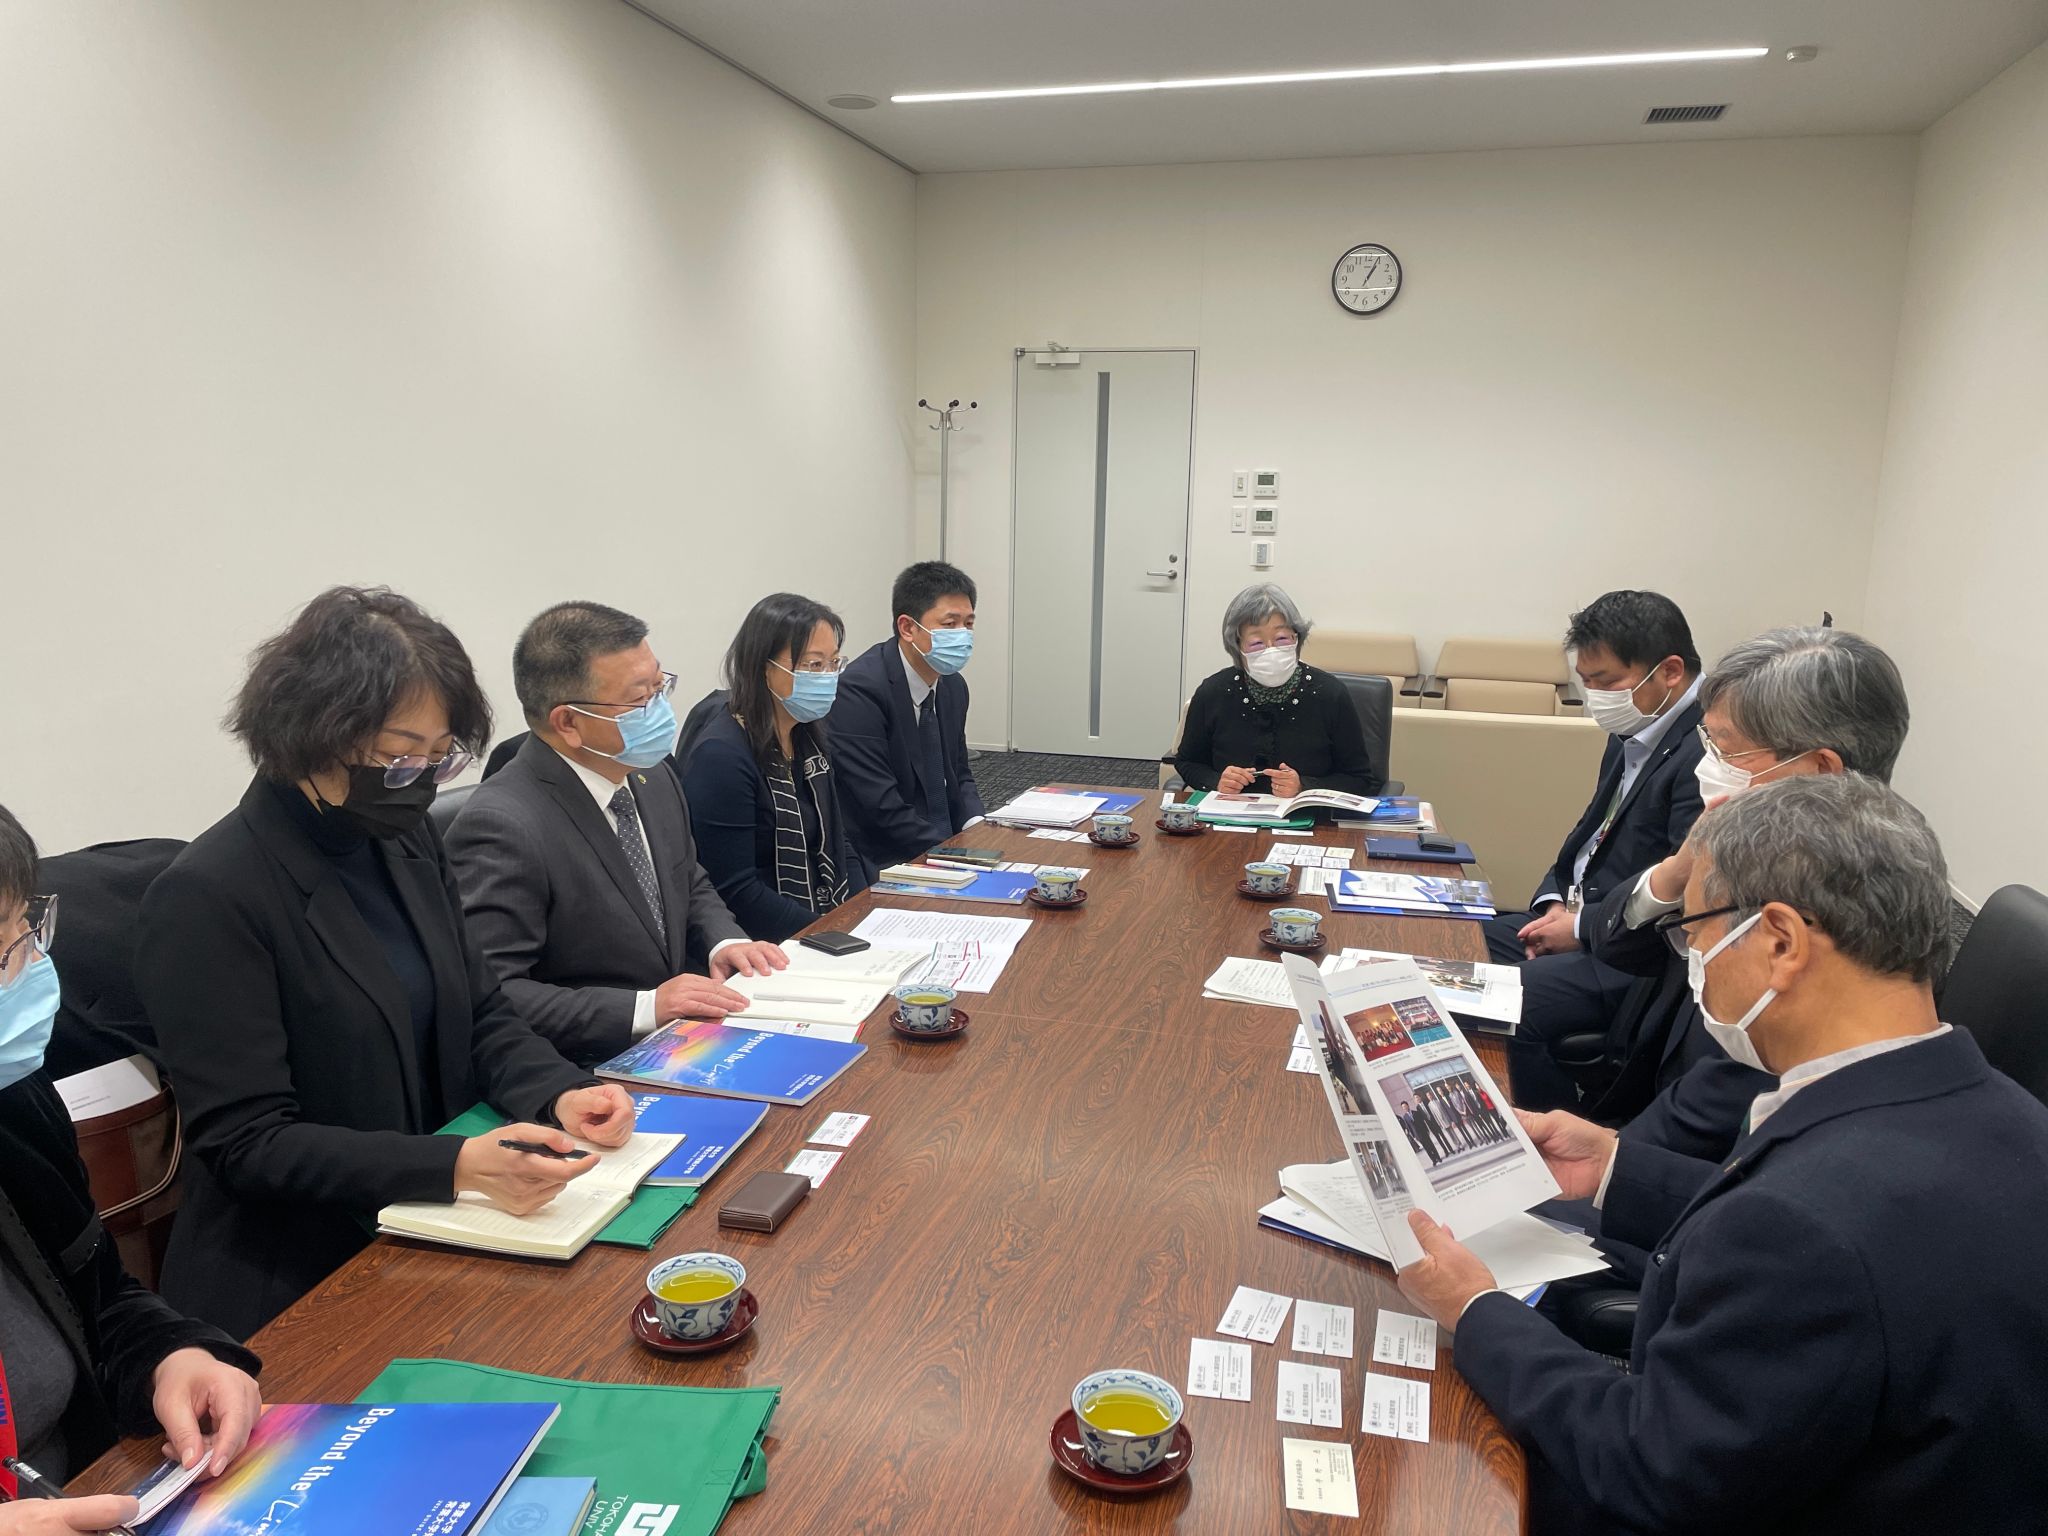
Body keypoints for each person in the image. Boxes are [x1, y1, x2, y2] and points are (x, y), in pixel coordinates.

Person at [1397, 774, 2048, 1535]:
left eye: (1696, 929)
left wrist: (1477, 1311)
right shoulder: (2000, 1113)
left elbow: (1651, 1472)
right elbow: (1846, 1235)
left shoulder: (1804, 1229)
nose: (1692, 953)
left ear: (1781, 943)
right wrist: (1612, 1168)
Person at [135, 588, 639, 1340]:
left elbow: (481, 1012)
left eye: (440, 756)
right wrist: (454, 1167)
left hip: (446, 1227)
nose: (423, 781)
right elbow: (250, 1144)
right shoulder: (209, 895)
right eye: (400, 756)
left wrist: (560, 1092)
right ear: (314, 733)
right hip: (301, 1270)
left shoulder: (403, 838)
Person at [1512, 625, 1911, 1143]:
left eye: (1727, 750)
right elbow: (1622, 946)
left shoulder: (1829, 914)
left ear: (1820, 770)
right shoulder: (1749, 853)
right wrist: (1677, 870)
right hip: (1642, 1112)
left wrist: (1604, 1158)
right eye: (1708, 741)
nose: (1707, 766)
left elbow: (1721, 1126)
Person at [1, 806, 262, 1531]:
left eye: (24, 929)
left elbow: (100, 1297)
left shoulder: (17, 1103)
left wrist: (174, 1356)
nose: (29, 967)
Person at [446, 602, 785, 1066]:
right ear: (568, 722)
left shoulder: (651, 772)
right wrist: (644, 1008)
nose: (660, 709)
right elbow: (494, 992)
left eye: (660, 686)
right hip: (584, 1066)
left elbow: (687, 878)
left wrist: (724, 941)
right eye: (640, 698)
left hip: (682, 1037)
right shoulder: (501, 824)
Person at [1484, 591, 1705, 964]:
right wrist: (1554, 901)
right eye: (1586, 682)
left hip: (1626, 953)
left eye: (1606, 681)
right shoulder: (1637, 722)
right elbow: (1593, 831)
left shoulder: (1706, 749)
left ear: (1670, 671)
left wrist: (1579, 928)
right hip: (1573, 917)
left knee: (1464, 986)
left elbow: (1684, 887)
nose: (1595, 697)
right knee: (1439, 941)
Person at [675, 594, 870, 944]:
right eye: (814, 665)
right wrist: (827, 932)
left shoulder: (807, 733)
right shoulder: (721, 756)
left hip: (822, 918)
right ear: (763, 667)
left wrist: (861, 913)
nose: (828, 676)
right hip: (760, 943)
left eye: (834, 663)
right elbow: (734, 889)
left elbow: (838, 841)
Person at [832, 562, 987, 868]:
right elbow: (880, 804)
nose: (962, 635)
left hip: (946, 845)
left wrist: (978, 829)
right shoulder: (858, 692)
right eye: (949, 624)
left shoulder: (953, 686)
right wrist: (950, 855)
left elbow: (959, 772)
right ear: (907, 628)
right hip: (884, 854)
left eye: (968, 624)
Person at [1169, 583, 1375, 798]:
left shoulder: (1330, 694)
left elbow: (1359, 779)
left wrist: (1304, 786)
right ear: (1237, 648)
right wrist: (1216, 781)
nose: (1271, 650)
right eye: (1256, 643)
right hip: (1229, 813)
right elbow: (1188, 762)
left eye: (1282, 638)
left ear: (1297, 638)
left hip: (1307, 814)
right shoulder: (1213, 692)